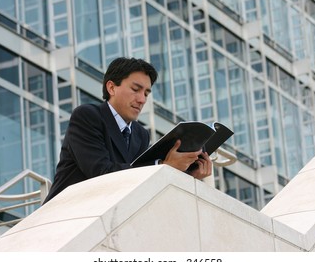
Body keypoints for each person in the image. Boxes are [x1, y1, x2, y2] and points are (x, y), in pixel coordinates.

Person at [43, 57, 212, 203]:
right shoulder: (87, 116)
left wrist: (187, 174)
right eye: (135, 89)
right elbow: (101, 173)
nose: (141, 99)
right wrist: (163, 165)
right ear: (111, 88)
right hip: (65, 214)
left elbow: (140, 185)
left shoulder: (140, 134)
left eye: (146, 93)